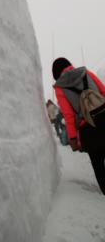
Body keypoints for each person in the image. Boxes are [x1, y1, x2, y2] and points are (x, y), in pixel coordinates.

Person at [52, 57, 105, 195]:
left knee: (98, 163)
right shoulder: (85, 72)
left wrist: (73, 139)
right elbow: (103, 91)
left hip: (87, 127)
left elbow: (69, 116)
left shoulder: (60, 88)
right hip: (104, 118)